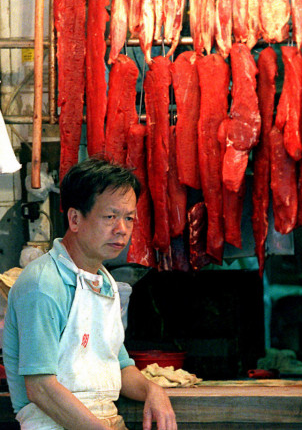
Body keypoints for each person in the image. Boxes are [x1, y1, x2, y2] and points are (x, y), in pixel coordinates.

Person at [3, 158, 177, 430]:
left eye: (129, 218)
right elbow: (40, 387)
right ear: (75, 218)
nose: (122, 229)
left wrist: (152, 390)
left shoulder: (104, 282)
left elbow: (119, 366)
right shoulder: (43, 284)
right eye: (110, 216)